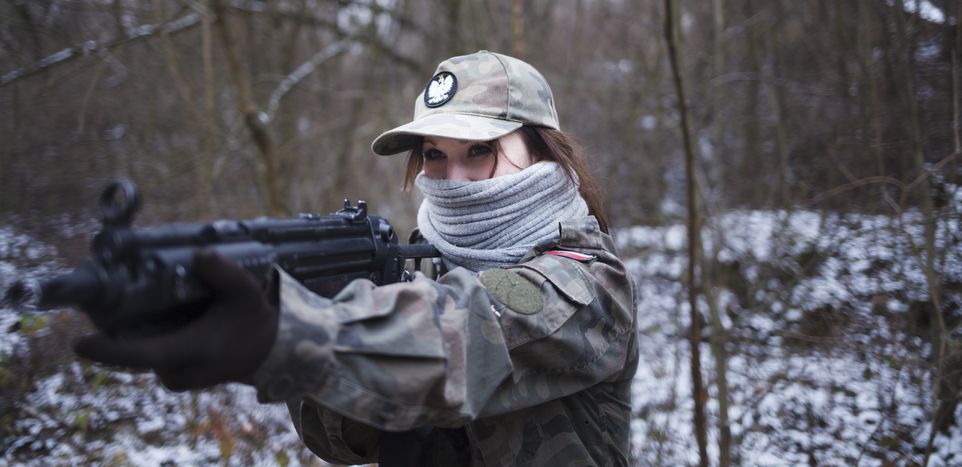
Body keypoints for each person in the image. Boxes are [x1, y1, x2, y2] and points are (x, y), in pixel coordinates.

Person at [75, 50, 638, 466]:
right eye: (434, 156)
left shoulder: (588, 281)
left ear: (540, 151)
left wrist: (292, 330)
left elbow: (471, 330)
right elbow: (342, 442)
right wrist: (319, 313)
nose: (452, 178)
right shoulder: (428, 265)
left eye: (481, 153)